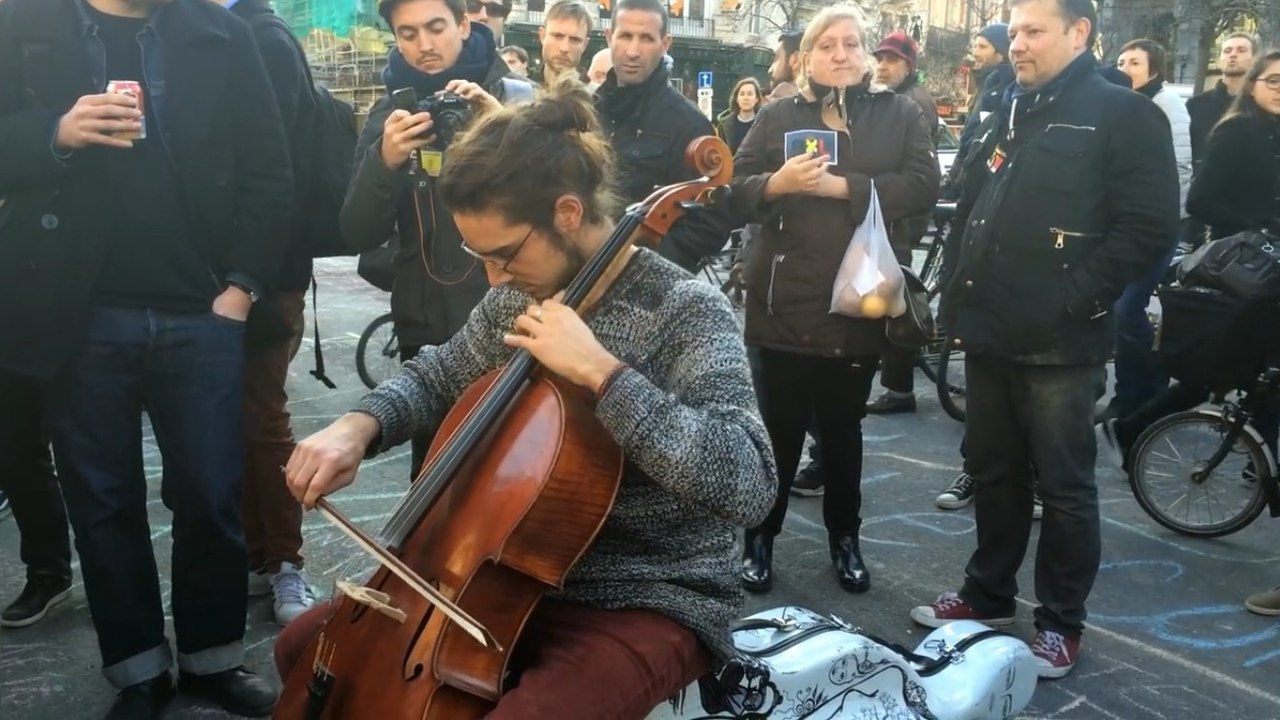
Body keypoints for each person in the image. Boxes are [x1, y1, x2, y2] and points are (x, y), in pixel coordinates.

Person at [272, 85, 777, 719]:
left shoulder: (683, 311)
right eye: (476, 255)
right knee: (304, 649)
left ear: (568, 211)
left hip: (645, 591)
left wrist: (603, 374)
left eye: (503, 254)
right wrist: (358, 424)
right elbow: (439, 375)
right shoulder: (517, 297)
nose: (492, 277)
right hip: (494, 577)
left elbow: (748, 480)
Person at [0, 0, 295, 716]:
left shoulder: (220, 31)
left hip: (201, 310)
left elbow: (268, 167)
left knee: (209, 497)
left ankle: (213, 660)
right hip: (77, 315)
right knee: (103, 507)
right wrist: (56, 132)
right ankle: (137, 672)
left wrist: (240, 289)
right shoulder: (22, 24)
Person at [911, 0, 1179, 680]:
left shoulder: (1125, 114)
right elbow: (978, 200)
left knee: (1063, 488)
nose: (1018, 44)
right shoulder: (1011, 106)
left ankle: (1061, 623)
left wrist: (1069, 299)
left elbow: (1147, 228)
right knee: (993, 469)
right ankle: (987, 595)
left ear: (1080, 33)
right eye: (1017, 32)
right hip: (990, 329)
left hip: (1062, 345)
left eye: (1034, 31)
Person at [731, 3, 939, 595]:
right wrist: (778, 184)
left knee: (844, 433)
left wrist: (843, 186)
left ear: (866, 53)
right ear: (806, 57)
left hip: (859, 303)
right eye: (827, 45)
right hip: (782, 303)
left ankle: (845, 539)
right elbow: (736, 192)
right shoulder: (776, 115)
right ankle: (759, 538)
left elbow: (925, 185)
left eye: (851, 44)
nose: (840, 54)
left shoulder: (897, 113)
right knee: (778, 433)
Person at [339, 0, 531, 482]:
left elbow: (564, 211)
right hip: (426, 329)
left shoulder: (516, 95)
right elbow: (356, 230)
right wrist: (383, 162)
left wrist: (503, 132)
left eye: (436, 27)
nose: (424, 45)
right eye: (407, 33)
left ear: (465, 24)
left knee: (516, 477)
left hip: (513, 324)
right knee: (434, 485)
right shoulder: (390, 111)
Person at [219, 0, 319, 628]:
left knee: (260, 418)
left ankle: (284, 562)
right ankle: (257, 556)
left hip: (265, 272)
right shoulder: (200, 33)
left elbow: (275, 174)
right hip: (207, 271)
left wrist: (250, 280)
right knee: (224, 424)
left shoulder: (263, 38)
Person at [595, 0, 735, 273]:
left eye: (646, 38)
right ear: (610, 38)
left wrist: (642, 270)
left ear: (665, 44)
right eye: (625, 36)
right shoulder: (588, 108)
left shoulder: (689, 124)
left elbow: (710, 224)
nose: (633, 51)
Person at [1103, 38, 1193, 422]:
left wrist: (1156, 217)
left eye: (1134, 62)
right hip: (1119, 225)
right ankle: (1136, 389)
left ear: (1154, 68)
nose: (1125, 68)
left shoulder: (1166, 105)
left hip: (1155, 227)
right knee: (1119, 310)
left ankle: (1141, 391)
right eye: (1121, 60)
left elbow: (1180, 170)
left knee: (1127, 309)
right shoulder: (1122, 105)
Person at [865, 31, 938, 417]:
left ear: (908, 66)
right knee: (887, 301)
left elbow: (919, 175)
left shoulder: (912, 103)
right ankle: (893, 375)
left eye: (891, 60)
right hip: (894, 218)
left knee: (896, 303)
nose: (882, 65)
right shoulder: (899, 99)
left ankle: (899, 388)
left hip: (899, 221)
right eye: (879, 58)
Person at [531, 0, 592, 86]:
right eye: (557, 36)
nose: (564, 48)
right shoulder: (518, 90)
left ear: (585, 45)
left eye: (574, 40)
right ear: (542, 36)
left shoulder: (597, 96)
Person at [714, 77, 762, 154]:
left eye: (750, 94)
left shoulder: (763, 123)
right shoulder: (724, 126)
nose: (746, 98)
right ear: (737, 98)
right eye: (742, 94)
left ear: (757, 98)